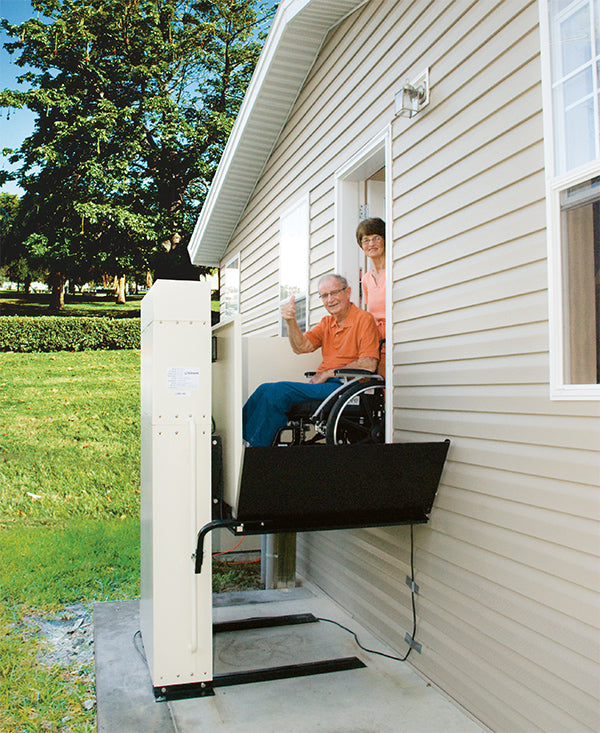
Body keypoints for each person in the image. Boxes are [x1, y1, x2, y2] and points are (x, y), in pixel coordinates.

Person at [242, 274, 381, 447]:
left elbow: (369, 363)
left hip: (345, 387)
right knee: (264, 390)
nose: (330, 299)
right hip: (327, 386)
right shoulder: (327, 322)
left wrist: (327, 373)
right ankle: (242, 441)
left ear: (348, 292)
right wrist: (291, 321)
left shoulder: (363, 319)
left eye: (334, 292)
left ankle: (256, 449)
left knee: (277, 392)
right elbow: (301, 347)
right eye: (324, 295)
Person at [356, 217, 386, 378]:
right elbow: (370, 314)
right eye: (365, 240)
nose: (371, 244)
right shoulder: (366, 279)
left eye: (376, 238)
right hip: (374, 340)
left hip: (392, 339)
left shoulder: (394, 271)